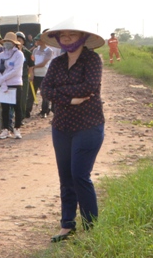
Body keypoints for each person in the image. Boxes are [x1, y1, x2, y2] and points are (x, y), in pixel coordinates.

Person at [39, 19, 105, 243]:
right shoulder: (57, 63)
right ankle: (67, 225)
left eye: (72, 35)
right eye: (63, 36)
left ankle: (91, 226)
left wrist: (61, 93)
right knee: (66, 177)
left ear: (82, 38)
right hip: (62, 126)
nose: (67, 39)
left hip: (89, 124)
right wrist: (71, 99)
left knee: (79, 175)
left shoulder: (92, 59)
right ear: (58, 40)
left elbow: (90, 87)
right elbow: (45, 89)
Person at [0, 32, 25, 139]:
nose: (7, 44)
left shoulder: (19, 54)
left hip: (15, 83)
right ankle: (5, 130)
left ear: (14, 43)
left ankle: (17, 128)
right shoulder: (1, 55)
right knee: (5, 108)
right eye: (6, 41)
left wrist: (2, 79)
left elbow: (16, 70)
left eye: (9, 42)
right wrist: (2, 82)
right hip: (4, 85)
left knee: (17, 107)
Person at [30, 35, 54, 118]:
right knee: (31, 94)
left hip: (44, 74)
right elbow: (32, 62)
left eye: (39, 40)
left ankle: (45, 111)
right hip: (35, 74)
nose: (37, 41)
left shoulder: (49, 51)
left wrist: (33, 67)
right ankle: (27, 111)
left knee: (44, 94)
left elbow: (44, 63)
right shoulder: (35, 50)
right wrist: (32, 72)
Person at [16, 32, 35, 119]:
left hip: (23, 78)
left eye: (19, 40)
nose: (17, 42)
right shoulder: (10, 52)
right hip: (13, 78)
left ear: (23, 41)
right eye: (16, 40)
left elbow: (31, 65)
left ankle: (21, 117)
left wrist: (30, 75)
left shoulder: (27, 52)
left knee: (23, 98)